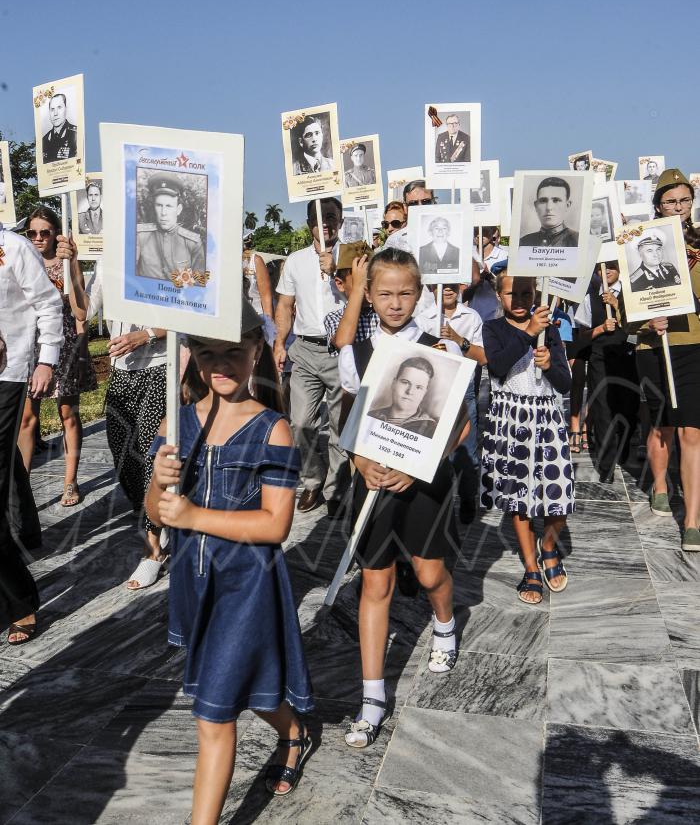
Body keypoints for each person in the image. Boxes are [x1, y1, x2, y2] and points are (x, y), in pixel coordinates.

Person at [144, 300, 313, 819]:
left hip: (246, 587)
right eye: (208, 352)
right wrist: (157, 483)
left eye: (235, 353)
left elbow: (274, 526)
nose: (222, 365)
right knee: (254, 691)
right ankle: (295, 732)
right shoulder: (177, 425)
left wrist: (193, 515)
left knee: (213, 716)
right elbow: (155, 513)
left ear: (257, 350)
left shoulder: (272, 428)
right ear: (191, 355)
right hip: (193, 585)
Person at [338, 248, 469, 749]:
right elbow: (350, 420)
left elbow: (460, 427)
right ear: (368, 295)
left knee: (430, 571)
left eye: (406, 293)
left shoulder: (442, 350)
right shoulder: (358, 352)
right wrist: (357, 462)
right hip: (371, 481)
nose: (396, 303)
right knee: (376, 583)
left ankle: (445, 621)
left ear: (420, 294)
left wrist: (418, 467)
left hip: (423, 483)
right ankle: (371, 697)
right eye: (385, 294)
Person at [57, 239, 169, 587]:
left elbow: (189, 316)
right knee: (123, 455)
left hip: (162, 367)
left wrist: (145, 335)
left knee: (153, 458)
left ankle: (154, 549)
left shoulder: (170, 255)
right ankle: (152, 514)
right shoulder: (107, 261)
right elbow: (82, 311)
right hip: (122, 374)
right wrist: (73, 265)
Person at [481, 274, 573, 604]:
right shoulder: (493, 329)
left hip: (546, 419)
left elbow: (564, 384)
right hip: (510, 420)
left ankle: (548, 546)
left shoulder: (552, 327)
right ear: (499, 295)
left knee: (557, 494)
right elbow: (499, 365)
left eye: (525, 292)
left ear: (534, 292)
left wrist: (549, 365)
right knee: (519, 500)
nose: (519, 299)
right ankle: (531, 566)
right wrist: (529, 333)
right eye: (511, 293)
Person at [0, 218, 63, 643]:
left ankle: (20, 600)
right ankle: (27, 527)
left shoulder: (12, 247)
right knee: (7, 469)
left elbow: (48, 303)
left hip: (8, 372)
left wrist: (47, 358)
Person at [632, 169, 700, 551]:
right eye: (671, 201)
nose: (679, 207)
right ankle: (660, 483)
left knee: (693, 429)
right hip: (653, 345)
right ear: (658, 204)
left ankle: (692, 519)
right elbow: (627, 306)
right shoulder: (637, 243)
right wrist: (646, 318)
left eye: (685, 200)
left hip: (693, 342)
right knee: (662, 426)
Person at [17, 207, 96, 508]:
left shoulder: (63, 264)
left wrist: (73, 263)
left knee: (68, 415)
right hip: (29, 347)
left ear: (55, 233)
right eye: (31, 233)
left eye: (44, 232)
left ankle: (70, 481)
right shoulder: (21, 261)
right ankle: (22, 489)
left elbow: (80, 311)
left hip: (64, 346)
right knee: (27, 418)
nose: (38, 239)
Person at [273, 197, 348, 515]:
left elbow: (365, 295)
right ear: (310, 224)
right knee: (300, 422)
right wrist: (279, 342)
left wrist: (338, 271)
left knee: (339, 425)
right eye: (319, 219)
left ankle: (335, 489)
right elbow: (285, 306)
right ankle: (312, 482)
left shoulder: (355, 256)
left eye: (332, 217)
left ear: (341, 221)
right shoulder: (295, 261)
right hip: (304, 349)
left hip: (343, 352)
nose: (326, 223)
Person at [417, 283, 486, 522]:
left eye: (452, 284)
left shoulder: (472, 316)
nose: (447, 289)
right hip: (432, 387)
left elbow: (483, 357)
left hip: (462, 386)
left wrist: (459, 340)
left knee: (466, 449)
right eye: (442, 284)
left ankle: (468, 497)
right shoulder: (423, 317)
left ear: (461, 286)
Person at [575, 262, 639, 482]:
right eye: (603, 267)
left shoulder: (633, 293)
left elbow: (640, 330)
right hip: (600, 357)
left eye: (612, 265)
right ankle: (607, 465)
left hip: (628, 355)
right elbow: (582, 335)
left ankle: (625, 452)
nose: (607, 270)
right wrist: (601, 328)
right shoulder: (589, 297)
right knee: (602, 409)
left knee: (629, 406)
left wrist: (618, 306)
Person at [136, 174, 205, 280]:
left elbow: (199, 285)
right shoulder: (140, 236)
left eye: (169, 206)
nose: (163, 213)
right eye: (159, 205)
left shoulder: (193, 243)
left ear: (178, 209)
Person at [324, 242, 378, 352]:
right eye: (359, 280)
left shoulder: (383, 312)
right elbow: (343, 343)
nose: (366, 286)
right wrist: (358, 288)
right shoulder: (334, 317)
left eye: (371, 280)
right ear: (340, 284)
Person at [368, 356, 439, 437]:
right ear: (394, 383)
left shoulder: (431, 429)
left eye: (419, 387)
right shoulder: (371, 415)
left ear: (424, 393)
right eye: (405, 382)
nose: (410, 391)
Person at [520, 176, 578, 247]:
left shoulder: (578, 240)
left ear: (567, 205)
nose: (549, 208)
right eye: (543, 201)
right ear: (536, 206)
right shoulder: (524, 242)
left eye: (556, 200)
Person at [242, 235, 273, 318]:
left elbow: (266, 295)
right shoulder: (219, 259)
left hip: (255, 316)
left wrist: (268, 324)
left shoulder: (255, 260)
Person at [41, 93, 77, 163]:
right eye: (52, 109)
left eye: (59, 107)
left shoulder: (76, 134)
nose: (55, 113)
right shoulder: (44, 140)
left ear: (66, 109)